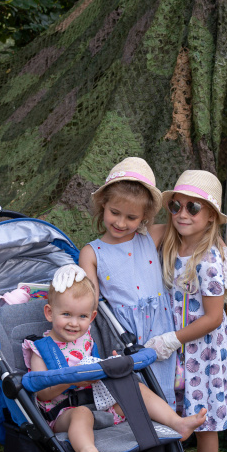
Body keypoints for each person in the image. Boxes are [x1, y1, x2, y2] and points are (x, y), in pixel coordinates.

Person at [22, 271, 206, 452]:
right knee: (81, 413)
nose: (74, 323)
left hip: (99, 406)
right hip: (64, 414)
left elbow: (99, 369)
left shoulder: (87, 339)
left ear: (92, 317)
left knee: (136, 388)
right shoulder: (40, 349)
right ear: (49, 313)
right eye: (66, 314)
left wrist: (112, 364)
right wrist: (73, 377)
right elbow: (42, 392)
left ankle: (177, 422)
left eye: (82, 316)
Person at [148, 170, 227, 452]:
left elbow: (213, 318)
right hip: (175, 349)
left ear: (211, 216)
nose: (182, 213)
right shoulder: (169, 240)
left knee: (204, 422)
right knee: (171, 412)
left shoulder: (210, 260)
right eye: (175, 205)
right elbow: (136, 237)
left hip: (204, 354)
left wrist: (172, 339)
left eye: (193, 207)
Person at [78, 157, 177, 409]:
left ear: (145, 217)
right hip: (123, 332)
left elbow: (191, 231)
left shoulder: (150, 236)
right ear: (103, 205)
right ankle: (135, 439)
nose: (121, 223)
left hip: (159, 327)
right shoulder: (92, 252)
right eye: (114, 213)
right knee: (131, 394)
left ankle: (167, 437)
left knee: (161, 388)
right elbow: (91, 305)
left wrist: (219, 244)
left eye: (131, 217)